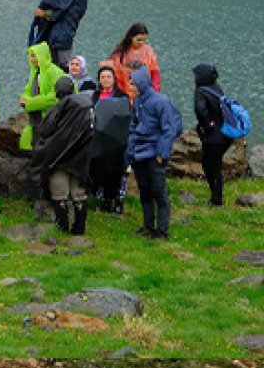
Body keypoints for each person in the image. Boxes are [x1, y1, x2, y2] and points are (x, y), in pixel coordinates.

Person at [31, 77, 95, 235]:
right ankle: (79, 230)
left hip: (58, 157)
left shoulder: (59, 108)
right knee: (78, 194)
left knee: (60, 193)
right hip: (80, 157)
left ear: (58, 90)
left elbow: (46, 130)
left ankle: (63, 229)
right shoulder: (87, 106)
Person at [126, 66, 183, 240]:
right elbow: (134, 124)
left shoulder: (161, 102)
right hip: (139, 153)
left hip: (154, 153)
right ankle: (148, 226)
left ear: (142, 83)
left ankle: (162, 231)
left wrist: (161, 152)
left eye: (134, 84)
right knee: (144, 190)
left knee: (159, 192)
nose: (132, 87)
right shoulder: (137, 101)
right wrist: (131, 146)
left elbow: (169, 129)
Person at [90, 63, 130, 215]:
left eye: (109, 77)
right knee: (101, 170)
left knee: (119, 172)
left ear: (114, 79)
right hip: (100, 139)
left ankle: (118, 201)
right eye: (103, 77)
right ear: (99, 80)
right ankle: (104, 199)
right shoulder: (95, 96)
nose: (106, 80)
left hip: (118, 139)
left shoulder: (122, 96)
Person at [193, 63, 231, 207]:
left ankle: (216, 200)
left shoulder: (200, 92)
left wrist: (206, 125)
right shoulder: (217, 89)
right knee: (213, 165)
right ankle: (216, 197)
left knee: (211, 167)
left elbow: (200, 110)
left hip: (214, 137)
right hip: (225, 135)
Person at [19, 42, 68, 151]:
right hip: (37, 119)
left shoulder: (54, 72)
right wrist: (24, 98)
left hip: (52, 120)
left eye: (34, 56)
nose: (32, 59)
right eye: (30, 56)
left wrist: (30, 103)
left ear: (41, 56)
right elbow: (27, 90)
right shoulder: (36, 73)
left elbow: (55, 98)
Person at [110, 23, 161, 98]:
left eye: (144, 40)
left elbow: (155, 72)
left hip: (145, 93)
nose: (142, 43)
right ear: (131, 37)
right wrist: (121, 93)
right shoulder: (120, 53)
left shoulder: (149, 51)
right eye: (139, 40)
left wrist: (155, 90)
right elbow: (115, 75)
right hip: (125, 93)